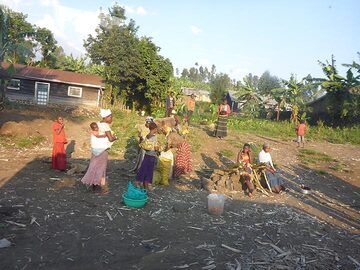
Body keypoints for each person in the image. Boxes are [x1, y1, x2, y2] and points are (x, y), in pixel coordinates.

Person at [81, 109, 117, 194]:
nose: (112, 118)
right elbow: (110, 139)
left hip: (95, 150)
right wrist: (115, 137)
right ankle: (96, 187)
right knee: (100, 168)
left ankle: (93, 185)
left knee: (94, 166)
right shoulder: (105, 126)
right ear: (106, 117)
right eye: (110, 116)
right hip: (102, 150)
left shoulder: (98, 124)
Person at [135, 122, 159, 190]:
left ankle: (139, 182)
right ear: (155, 129)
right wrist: (158, 149)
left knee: (143, 169)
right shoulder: (154, 137)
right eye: (156, 129)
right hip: (152, 155)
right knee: (149, 170)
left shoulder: (148, 135)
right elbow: (155, 147)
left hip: (146, 154)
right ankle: (147, 184)